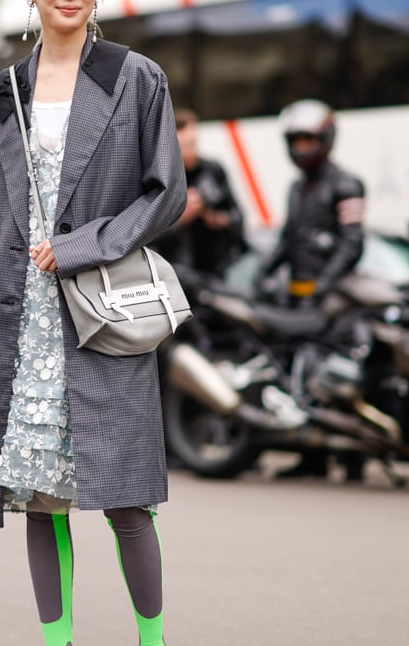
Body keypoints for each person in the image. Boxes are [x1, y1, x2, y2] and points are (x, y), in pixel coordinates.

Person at [0, 0, 187, 646]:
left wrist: (84, 246)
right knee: (40, 500)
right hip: (19, 326)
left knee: (127, 499)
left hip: (100, 312)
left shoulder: (134, 79)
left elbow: (164, 192)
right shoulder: (1, 94)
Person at [255, 99, 367, 479]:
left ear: (327, 139)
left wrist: (326, 285)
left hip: (333, 300)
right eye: (296, 140)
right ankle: (312, 455)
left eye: (309, 139)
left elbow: (352, 244)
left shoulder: (347, 184)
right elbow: (288, 238)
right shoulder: (297, 188)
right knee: (297, 370)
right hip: (299, 296)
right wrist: (264, 272)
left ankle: (355, 458)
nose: (302, 148)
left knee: (334, 372)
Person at [156, 107, 246, 278]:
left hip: (218, 266)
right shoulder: (162, 179)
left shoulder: (212, 170)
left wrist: (220, 221)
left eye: (193, 143)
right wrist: (181, 218)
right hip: (179, 273)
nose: (190, 151)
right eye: (183, 146)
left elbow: (238, 216)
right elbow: (150, 238)